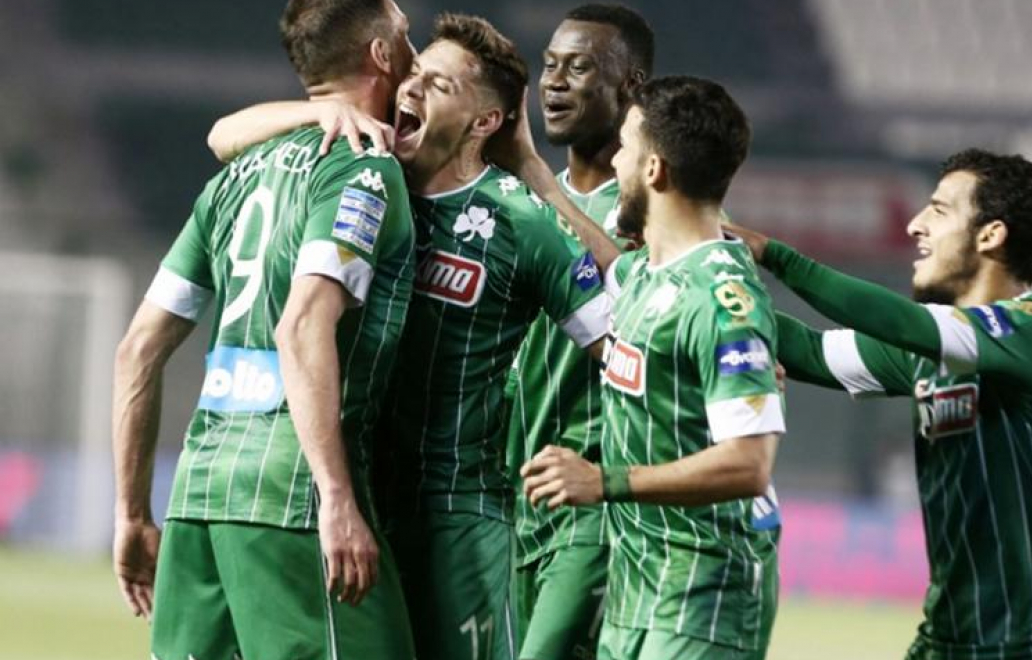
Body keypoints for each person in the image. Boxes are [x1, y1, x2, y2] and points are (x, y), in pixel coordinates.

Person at [205, 13, 617, 660]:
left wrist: (630, 473)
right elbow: (224, 135)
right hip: (356, 500)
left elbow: (620, 339)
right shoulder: (364, 178)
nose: (412, 88)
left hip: (457, 517)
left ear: (484, 122)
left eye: (439, 85)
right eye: (415, 73)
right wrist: (318, 112)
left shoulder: (519, 220)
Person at [110, 1, 418, 659]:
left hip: (199, 492)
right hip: (292, 496)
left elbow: (137, 350)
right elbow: (302, 326)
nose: (415, 56)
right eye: (406, 37)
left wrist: (132, 514)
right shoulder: (362, 167)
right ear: (382, 54)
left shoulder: (231, 179)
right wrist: (335, 497)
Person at [726, 149, 1032, 659]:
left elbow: (904, 322)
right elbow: (809, 351)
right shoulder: (926, 355)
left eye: (938, 210)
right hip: (949, 642)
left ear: (990, 235)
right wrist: (714, 292)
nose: (915, 225)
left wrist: (776, 256)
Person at [522, 76, 784, 660]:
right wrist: (533, 172)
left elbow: (750, 464)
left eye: (624, 148)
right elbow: (608, 261)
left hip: (702, 596)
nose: (613, 162)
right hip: (638, 589)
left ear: (654, 170)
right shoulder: (649, 276)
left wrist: (603, 482)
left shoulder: (723, 299)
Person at [502, 6, 653, 660]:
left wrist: (539, 182)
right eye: (550, 66)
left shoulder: (657, 206)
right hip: (516, 499)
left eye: (580, 67)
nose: (555, 83)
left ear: (631, 86)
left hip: (595, 497)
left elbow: (656, 306)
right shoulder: (513, 201)